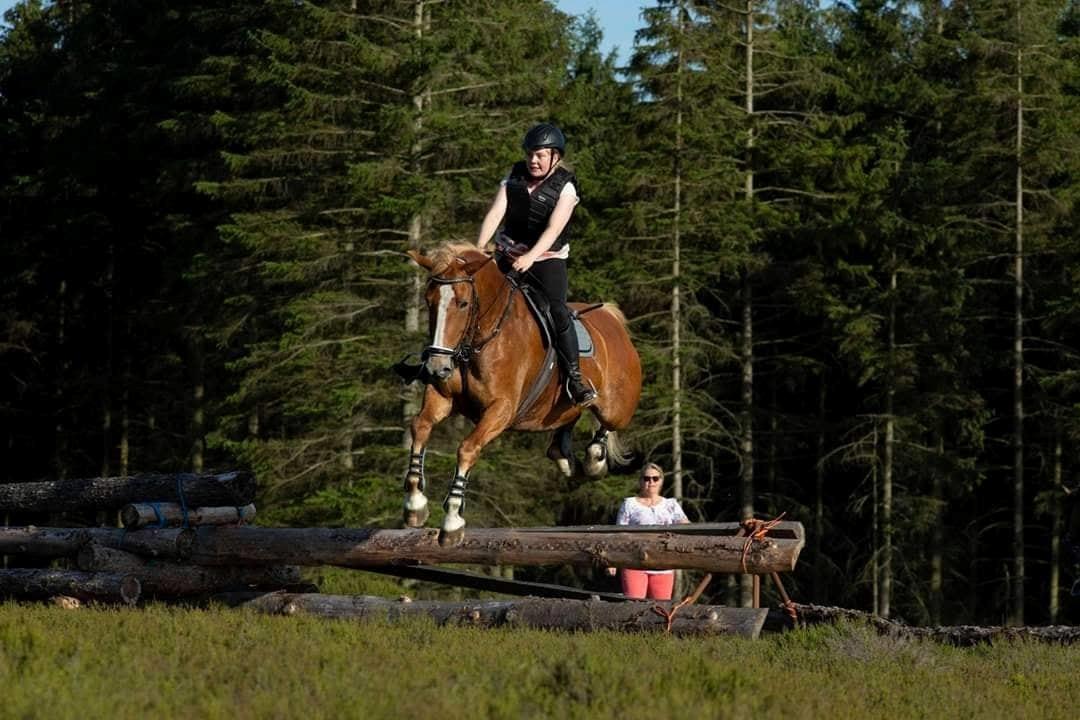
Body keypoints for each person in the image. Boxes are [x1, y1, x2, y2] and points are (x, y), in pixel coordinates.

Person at [475, 122, 597, 406]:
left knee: (557, 311)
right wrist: (479, 248)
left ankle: (574, 379)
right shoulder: (513, 178)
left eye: (540, 155)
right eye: (530, 154)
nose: (533, 160)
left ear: (556, 156)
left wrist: (530, 257)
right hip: (507, 255)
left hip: (546, 260)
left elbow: (554, 229)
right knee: (472, 298)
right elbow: (495, 214)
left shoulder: (565, 187)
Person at [607, 462, 690, 600]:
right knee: (634, 608)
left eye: (655, 478)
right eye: (646, 478)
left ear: (661, 481)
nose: (651, 482)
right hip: (634, 562)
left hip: (664, 564)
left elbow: (687, 528)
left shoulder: (671, 505)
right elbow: (619, 534)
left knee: (660, 609)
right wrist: (612, 560)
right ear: (640, 481)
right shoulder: (630, 504)